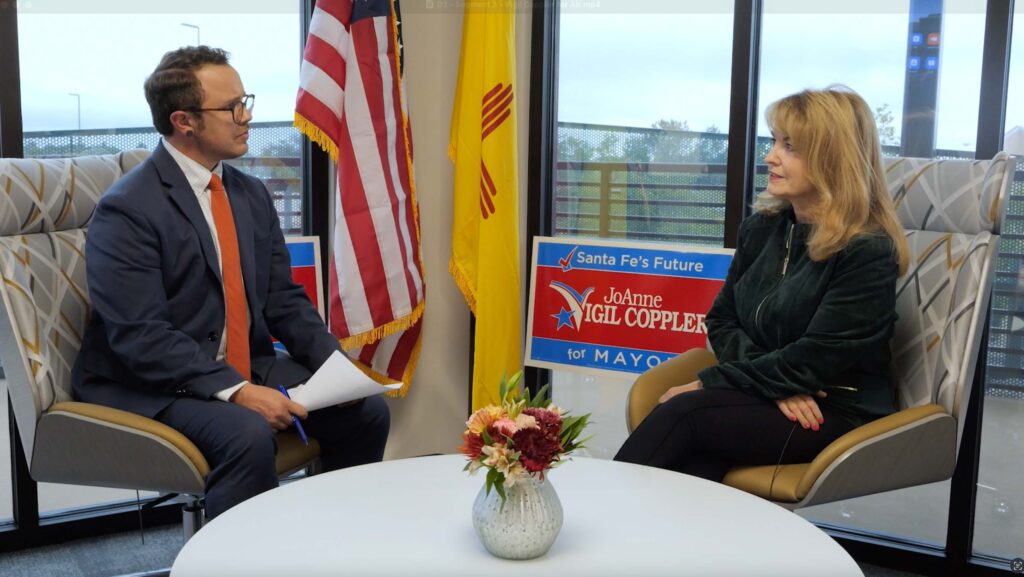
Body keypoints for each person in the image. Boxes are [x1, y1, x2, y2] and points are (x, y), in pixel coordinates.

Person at [72, 46, 390, 519]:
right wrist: (237, 391)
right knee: (246, 434)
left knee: (364, 411)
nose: (247, 117)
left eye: (246, 102)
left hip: (241, 364)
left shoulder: (249, 193)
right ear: (184, 121)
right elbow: (142, 337)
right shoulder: (128, 209)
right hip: (148, 381)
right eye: (233, 107)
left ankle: (334, 538)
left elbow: (283, 300)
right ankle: (237, 554)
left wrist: (337, 370)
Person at [614, 86, 910, 481]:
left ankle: (601, 507)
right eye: (774, 141)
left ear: (832, 159)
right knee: (694, 467)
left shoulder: (867, 251)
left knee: (686, 414)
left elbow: (813, 360)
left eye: (790, 146)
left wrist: (713, 381)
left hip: (836, 408)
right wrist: (774, 384)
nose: (770, 156)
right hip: (774, 392)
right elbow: (721, 320)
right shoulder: (761, 229)